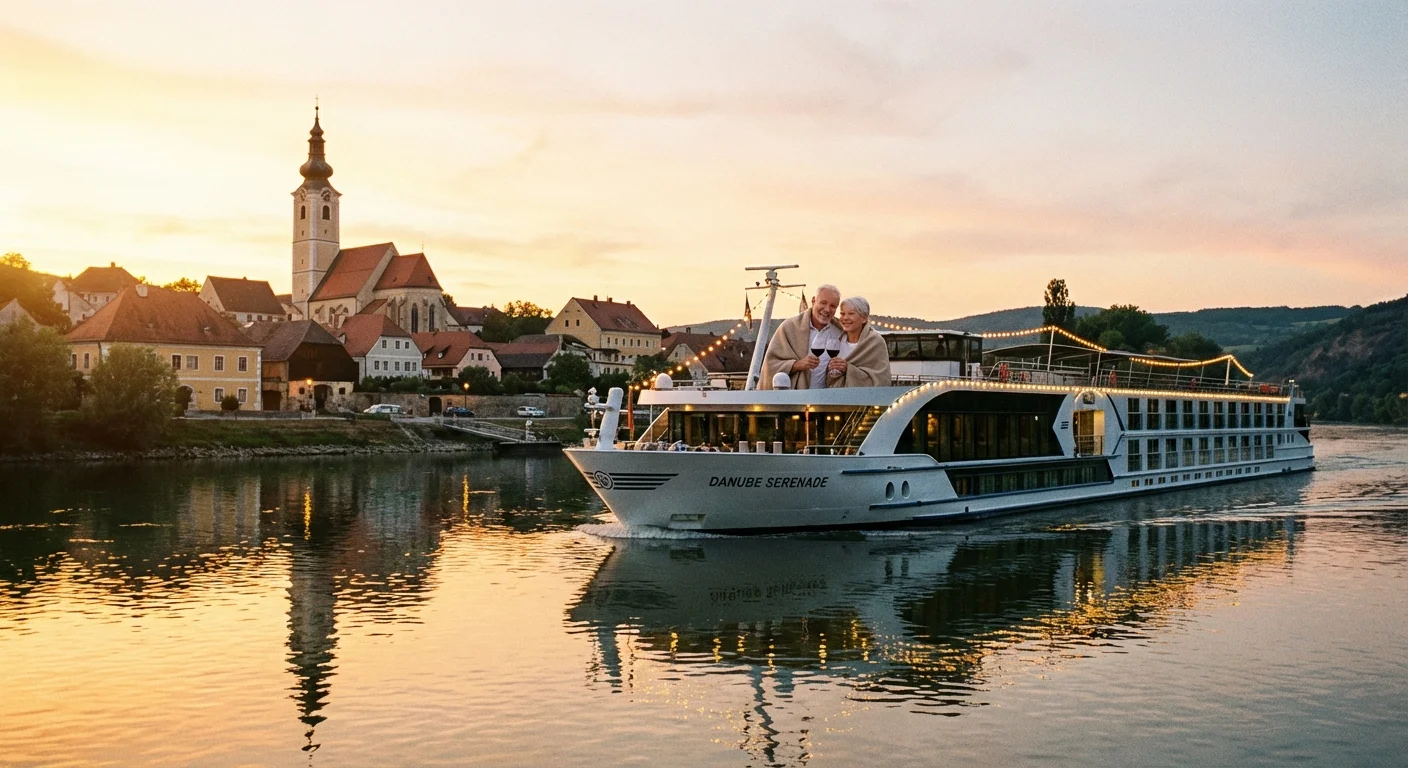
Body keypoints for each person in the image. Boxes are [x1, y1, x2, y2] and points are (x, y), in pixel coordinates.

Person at [761, 284, 842, 390]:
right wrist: (797, 365)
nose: (827, 309)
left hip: (829, 400)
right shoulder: (789, 327)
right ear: (813, 301)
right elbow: (770, 366)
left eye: (833, 306)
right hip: (797, 399)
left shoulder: (841, 331)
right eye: (823, 303)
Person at [826, 296, 891, 387]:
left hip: (862, 399)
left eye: (851, 313)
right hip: (835, 397)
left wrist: (848, 369)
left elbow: (881, 378)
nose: (845, 318)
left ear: (864, 318)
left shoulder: (875, 342)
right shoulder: (837, 340)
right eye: (842, 313)